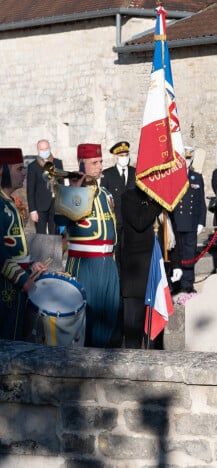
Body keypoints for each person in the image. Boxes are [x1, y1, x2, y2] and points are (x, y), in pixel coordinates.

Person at [57, 143, 121, 348]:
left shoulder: (105, 194)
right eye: (94, 162)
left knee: (109, 317)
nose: (100, 166)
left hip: (107, 263)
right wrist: (76, 188)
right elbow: (61, 220)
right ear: (80, 164)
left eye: (101, 162)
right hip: (84, 264)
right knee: (85, 320)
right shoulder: (72, 191)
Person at [0, 148, 47, 340]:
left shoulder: (9, 202)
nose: (24, 173)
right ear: (2, 171)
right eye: (19, 169)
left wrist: (30, 263)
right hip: (5, 285)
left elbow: (13, 245)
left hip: (14, 284)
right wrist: (22, 278)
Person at [120, 186, 165, 349]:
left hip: (156, 273)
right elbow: (139, 222)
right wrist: (157, 203)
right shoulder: (129, 196)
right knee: (134, 331)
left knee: (155, 335)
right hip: (136, 275)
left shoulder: (164, 198)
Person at [170, 147, 206, 293]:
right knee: (176, 255)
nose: (187, 162)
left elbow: (200, 201)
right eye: (185, 159)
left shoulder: (196, 177)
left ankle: (188, 283)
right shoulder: (172, 177)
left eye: (189, 159)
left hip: (191, 223)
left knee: (190, 254)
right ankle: (175, 284)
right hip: (176, 222)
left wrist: (201, 222)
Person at [101, 141, 136, 267]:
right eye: (121, 155)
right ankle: (119, 281)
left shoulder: (135, 172)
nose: (124, 158)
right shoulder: (107, 174)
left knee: (131, 254)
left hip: (132, 222)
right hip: (116, 221)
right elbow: (103, 197)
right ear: (115, 157)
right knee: (117, 254)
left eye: (126, 154)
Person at [26, 139, 63, 234]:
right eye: (42, 149)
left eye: (46, 148)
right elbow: (30, 190)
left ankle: (55, 249)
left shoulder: (58, 163)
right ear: (38, 150)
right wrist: (32, 210)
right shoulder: (33, 166)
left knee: (54, 234)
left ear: (50, 148)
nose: (44, 151)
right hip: (40, 207)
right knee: (41, 235)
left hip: (55, 205)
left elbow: (61, 185)